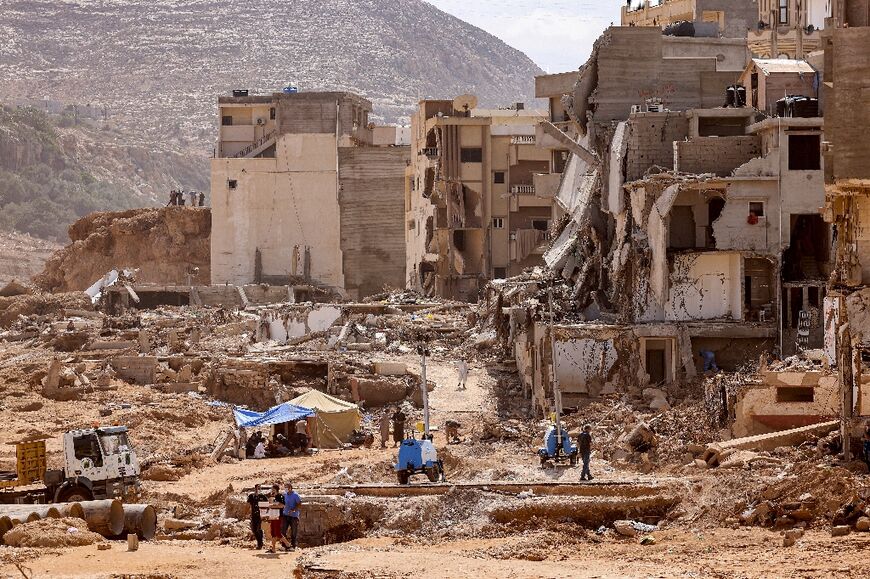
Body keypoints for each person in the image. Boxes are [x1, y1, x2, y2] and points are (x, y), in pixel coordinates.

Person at [266, 484, 292, 553]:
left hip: (278, 516)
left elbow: (282, 505)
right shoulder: (274, 497)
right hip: (273, 516)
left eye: (272, 489)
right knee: (273, 532)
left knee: (277, 532)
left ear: (275, 489)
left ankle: (288, 544)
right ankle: (273, 548)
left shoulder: (280, 496)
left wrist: (271, 506)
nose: (271, 490)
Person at [246, 484, 268, 549]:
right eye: (257, 488)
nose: (258, 489)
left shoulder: (263, 496)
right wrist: (247, 513)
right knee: (254, 529)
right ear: (255, 489)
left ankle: (260, 543)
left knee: (259, 529)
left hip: (260, 516)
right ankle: (259, 542)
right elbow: (248, 505)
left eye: (259, 488)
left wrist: (266, 515)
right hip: (253, 515)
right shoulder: (251, 496)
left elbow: (267, 505)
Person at [282, 482, 303, 550]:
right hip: (285, 515)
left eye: (286, 487)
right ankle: (284, 545)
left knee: (294, 532)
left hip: (293, 516)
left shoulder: (295, 495)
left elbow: (299, 503)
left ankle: (293, 546)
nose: (285, 489)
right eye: (284, 487)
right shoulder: (285, 495)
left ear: (290, 488)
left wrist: (294, 509)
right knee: (283, 530)